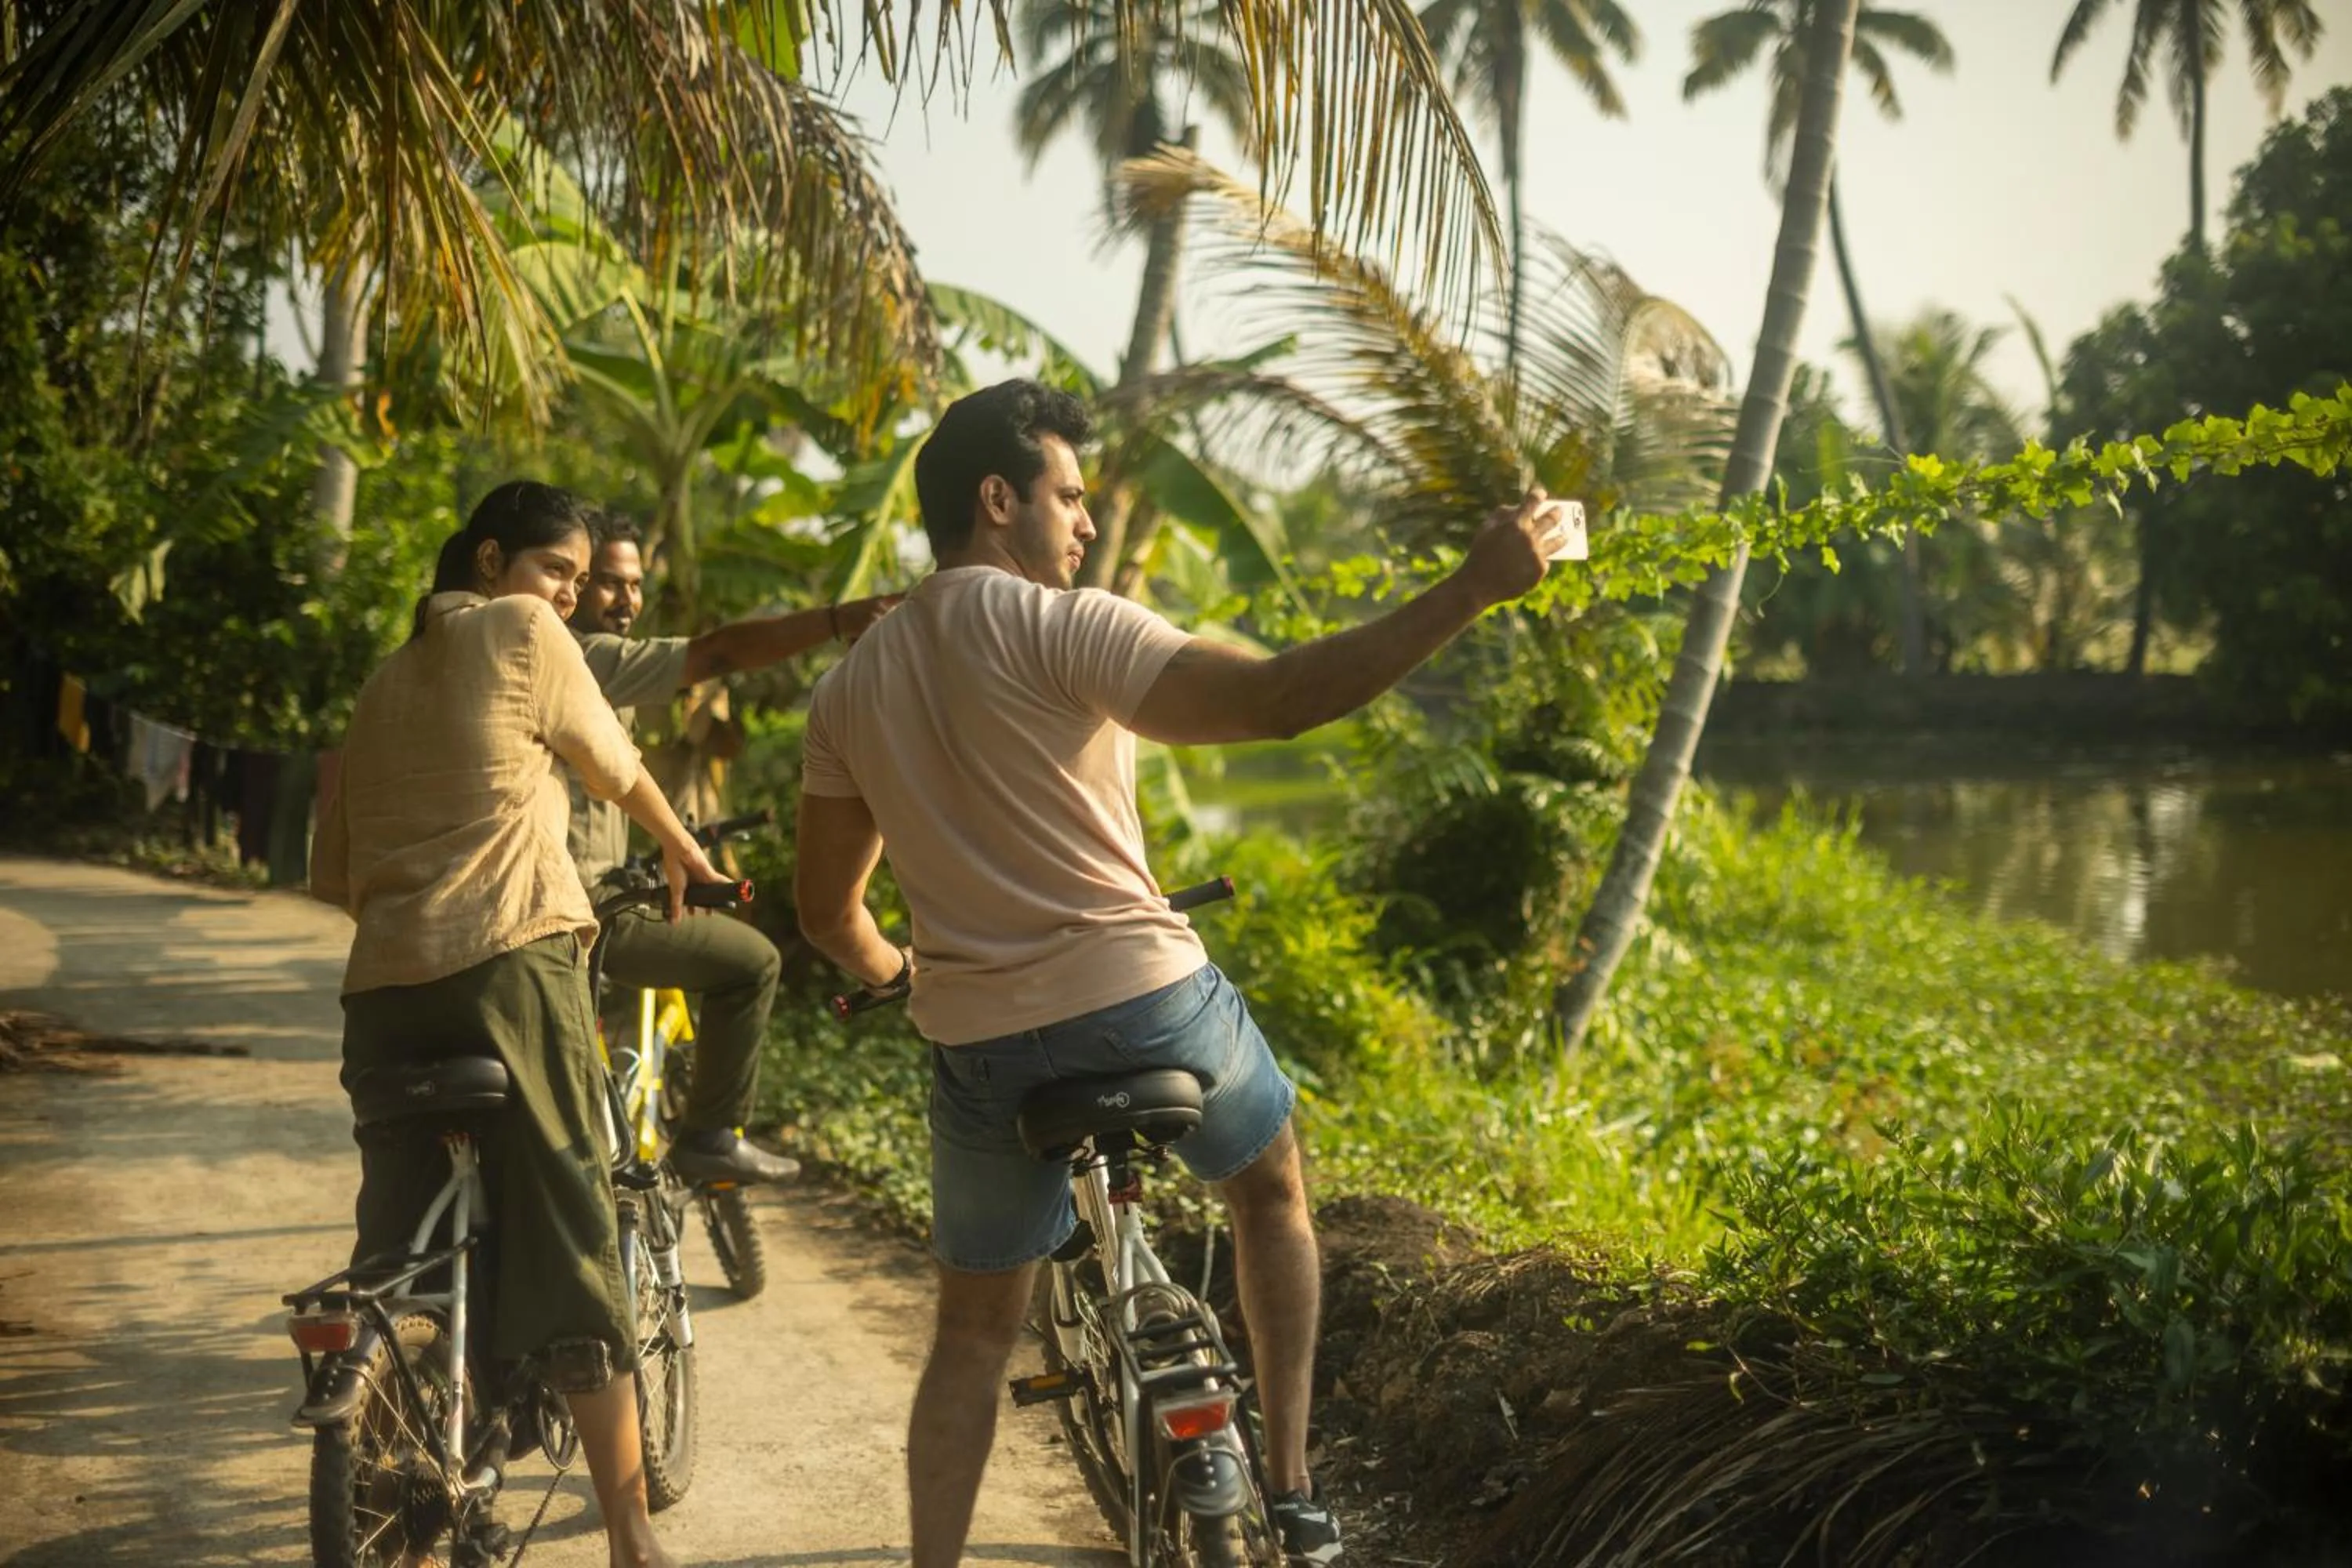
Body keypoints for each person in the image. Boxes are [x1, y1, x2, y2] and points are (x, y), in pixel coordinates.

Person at [789, 378, 1571, 1567]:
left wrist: (897, 969)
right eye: (1068, 496)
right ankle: (1294, 1486)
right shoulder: (1066, 627)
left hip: (983, 1046)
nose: (1087, 521)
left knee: (971, 1337)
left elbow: (825, 911)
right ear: (998, 499)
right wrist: (1473, 586)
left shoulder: (847, 690)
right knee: (1271, 1189)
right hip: (1149, 1003)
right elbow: (1279, 700)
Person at [312, 480, 733, 1568]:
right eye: (561, 571)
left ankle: (402, 1454)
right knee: (574, 1229)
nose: (575, 596)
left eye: (583, 581)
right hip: (511, 962)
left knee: (400, 1249)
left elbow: (330, 869)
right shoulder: (523, 628)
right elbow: (615, 764)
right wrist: (683, 846)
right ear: (492, 562)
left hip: (382, 995)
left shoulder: (380, 682)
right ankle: (632, 1535)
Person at [561, 510, 899, 1185]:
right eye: (608, 583)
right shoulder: (582, 657)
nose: (627, 600)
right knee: (752, 963)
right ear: (572, 583)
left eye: (635, 584)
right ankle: (711, 1136)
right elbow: (715, 655)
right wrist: (837, 620)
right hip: (587, 911)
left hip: (575, 897)